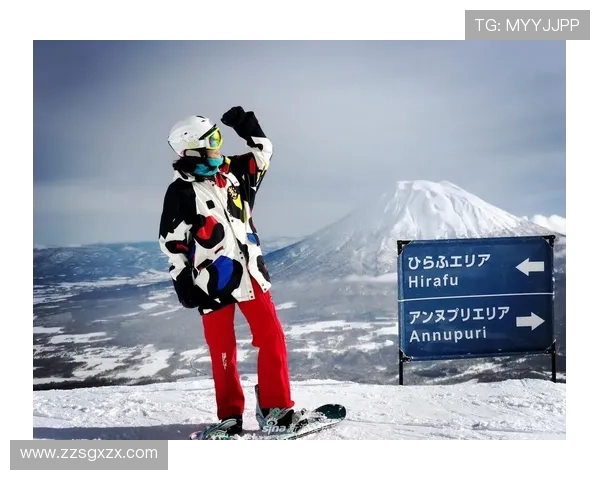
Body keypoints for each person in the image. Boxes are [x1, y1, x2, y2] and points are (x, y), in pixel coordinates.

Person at [158, 106, 295, 436]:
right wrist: (182, 282)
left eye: (218, 137)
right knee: (223, 351)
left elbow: (263, 153)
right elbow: (172, 241)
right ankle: (230, 416)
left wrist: (249, 128)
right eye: (213, 140)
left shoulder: (234, 173)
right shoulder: (181, 192)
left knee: (272, 337)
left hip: (251, 273)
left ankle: (275, 409)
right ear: (192, 148)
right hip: (212, 282)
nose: (219, 146)